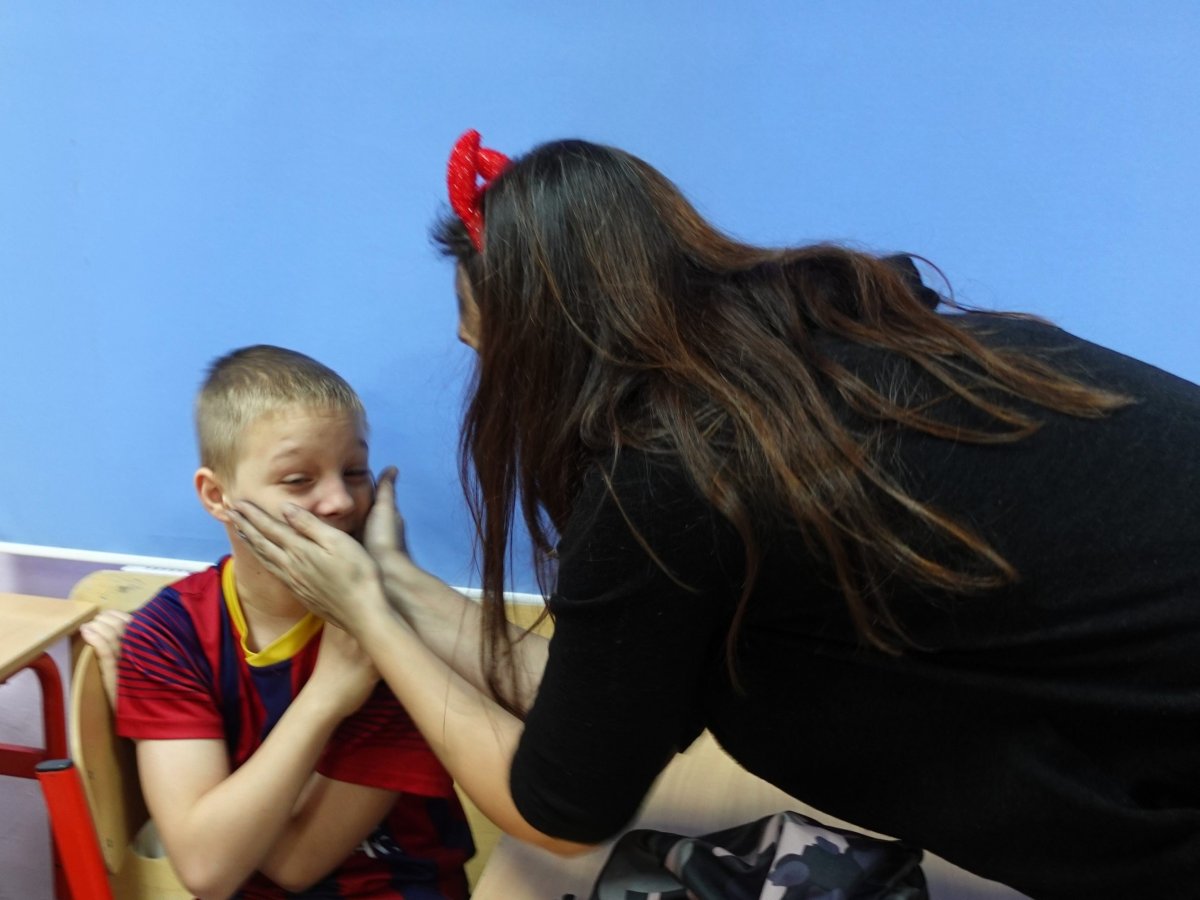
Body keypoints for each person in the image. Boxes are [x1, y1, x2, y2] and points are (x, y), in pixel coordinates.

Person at [228, 132, 1200, 899]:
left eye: (491, 355)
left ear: (545, 347)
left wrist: (366, 616)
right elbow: (599, 709)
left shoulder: (672, 473)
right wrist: (395, 585)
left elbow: (560, 806)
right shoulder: (817, 355)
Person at [106, 345, 473, 900]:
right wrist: (331, 692)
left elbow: (295, 864)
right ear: (217, 496)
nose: (339, 500)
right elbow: (207, 870)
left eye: (355, 471)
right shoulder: (168, 634)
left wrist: (222, 807)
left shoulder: (394, 635)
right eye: (299, 479)